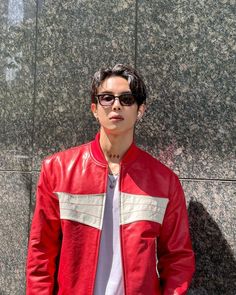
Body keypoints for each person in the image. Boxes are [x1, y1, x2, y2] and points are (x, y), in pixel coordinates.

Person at [26, 64, 195, 295]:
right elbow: (41, 253)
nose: (116, 105)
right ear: (94, 108)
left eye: (126, 99)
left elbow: (178, 259)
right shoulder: (57, 170)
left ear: (140, 110)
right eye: (107, 98)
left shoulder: (165, 182)